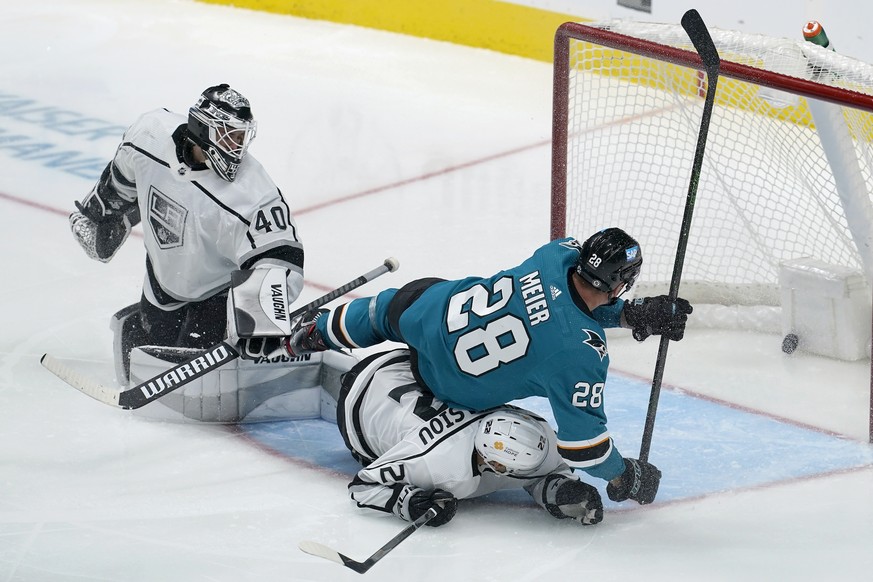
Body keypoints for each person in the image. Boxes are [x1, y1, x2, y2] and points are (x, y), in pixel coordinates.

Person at [281, 228, 692, 506]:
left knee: (387, 310)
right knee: (520, 439)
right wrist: (623, 476)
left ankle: (315, 332)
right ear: (619, 283)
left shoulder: (556, 254)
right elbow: (585, 447)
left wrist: (632, 315)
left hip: (432, 310)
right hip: (450, 384)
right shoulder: (580, 356)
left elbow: (562, 306)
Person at [69, 83, 304, 384]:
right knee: (148, 355)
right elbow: (123, 176)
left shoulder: (254, 194)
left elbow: (280, 257)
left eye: (242, 137)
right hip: (162, 281)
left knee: (193, 375)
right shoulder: (150, 135)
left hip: (216, 290)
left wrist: (260, 319)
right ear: (204, 129)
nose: (238, 147)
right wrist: (102, 214)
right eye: (230, 136)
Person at [338, 348, 604, 527]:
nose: (538, 468)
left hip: (405, 363)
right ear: (495, 466)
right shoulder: (437, 462)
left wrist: (564, 489)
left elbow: (543, 471)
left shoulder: (537, 432)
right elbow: (362, 486)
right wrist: (409, 503)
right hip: (356, 409)